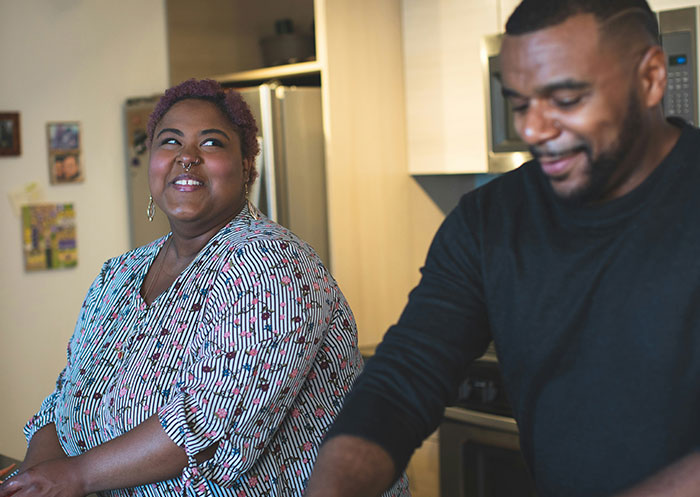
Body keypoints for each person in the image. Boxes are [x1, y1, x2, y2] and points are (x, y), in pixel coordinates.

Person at [304, 1, 700, 496]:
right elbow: (403, 383)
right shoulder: (489, 220)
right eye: (520, 104)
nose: (533, 129)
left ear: (651, 78)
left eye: (566, 99)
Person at [0, 79, 409, 497]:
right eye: (170, 141)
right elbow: (67, 397)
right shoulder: (119, 274)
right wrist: (32, 477)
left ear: (247, 166)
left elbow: (210, 423)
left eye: (211, 143)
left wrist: (75, 476)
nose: (187, 157)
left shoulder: (272, 264)